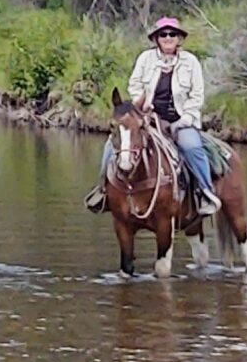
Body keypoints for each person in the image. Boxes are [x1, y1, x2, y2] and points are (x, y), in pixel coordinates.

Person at [89, 18, 219, 217]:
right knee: (111, 145)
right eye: (163, 35)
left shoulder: (190, 62)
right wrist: (141, 104)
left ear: (179, 38)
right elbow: (135, 84)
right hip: (147, 117)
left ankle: (205, 192)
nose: (168, 38)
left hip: (180, 119)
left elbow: (197, 95)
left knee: (192, 147)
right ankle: (103, 191)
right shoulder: (145, 59)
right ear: (156, 39)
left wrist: (186, 118)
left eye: (172, 34)